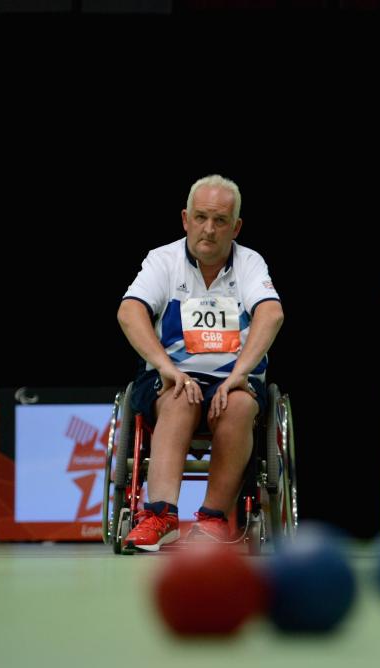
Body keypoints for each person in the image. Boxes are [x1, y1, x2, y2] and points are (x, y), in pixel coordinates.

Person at [117, 174, 285, 551]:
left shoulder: (249, 263)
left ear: (236, 226)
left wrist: (239, 375)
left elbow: (271, 314)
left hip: (233, 378)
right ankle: (160, 515)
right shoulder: (163, 260)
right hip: (173, 376)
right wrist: (167, 368)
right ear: (185, 219)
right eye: (201, 217)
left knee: (240, 404)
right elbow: (129, 312)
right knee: (179, 395)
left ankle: (212, 519)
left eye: (220, 220)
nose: (209, 229)